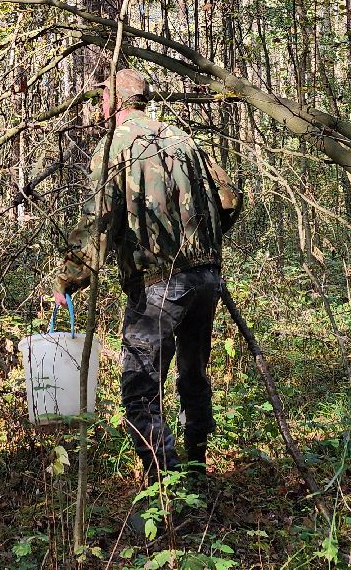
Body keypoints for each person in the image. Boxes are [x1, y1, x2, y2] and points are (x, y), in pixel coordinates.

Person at [52, 67, 241, 481]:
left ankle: (166, 486)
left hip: (158, 285)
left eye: (103, 97)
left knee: (140, 387)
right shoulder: (185, 140)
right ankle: (195, 469)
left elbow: (98, 222)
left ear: (117, 102)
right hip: (206, 278)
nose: (99, 104)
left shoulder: (114, 148)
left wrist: (69, 279)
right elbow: (228, 200)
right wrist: (202, 245)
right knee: (193, 374)